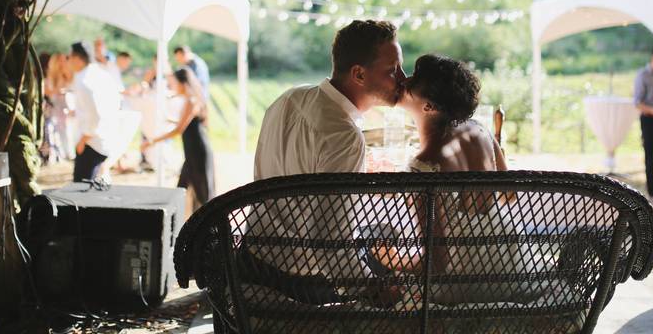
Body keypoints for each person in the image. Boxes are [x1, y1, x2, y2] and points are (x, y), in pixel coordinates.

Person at [243, 19, 406, 305]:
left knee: (377, 235)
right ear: (358, 74)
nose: (403, 79)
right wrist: (373, 289)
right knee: (398, 262)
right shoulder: (345, 137)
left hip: (251, 257)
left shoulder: (289, 98)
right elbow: (329, 242)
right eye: (392, 71)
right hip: (298, 280)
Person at [367, 54, 521, 303]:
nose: (404, 80)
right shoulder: (479, 129)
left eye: (414, 79)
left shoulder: (423, 167)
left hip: (460, 287)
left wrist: (391, 258)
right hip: (510, 267)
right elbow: (510, 194)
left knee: (378, 269)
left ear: (429, 106)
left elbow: (435, 264)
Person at [141, 67, 214, 210]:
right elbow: (187, 124)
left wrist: (152, 141)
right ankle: (179, 223)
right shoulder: (190, 99)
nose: (172, 86)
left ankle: (214, 228)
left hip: (197, 151)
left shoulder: (192, 100)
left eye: (174, 83)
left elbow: (180, 130)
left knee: (203, 194)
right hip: (192, 151)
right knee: (182, 189)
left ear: (183, 83)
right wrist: (172, 121)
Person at [69, 41, 121, 182]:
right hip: (103, 138)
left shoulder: (84, 81)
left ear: (77, 58)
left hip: (91, 143)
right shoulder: (98, 73)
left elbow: (96, 115)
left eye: (70, 57)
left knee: (82, 189)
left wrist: (83, 139)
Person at [633, 46, 653, 204]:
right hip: (648, 120)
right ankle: (652, 192)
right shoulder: (642, 75)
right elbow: (637, 103)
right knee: (650, 156)